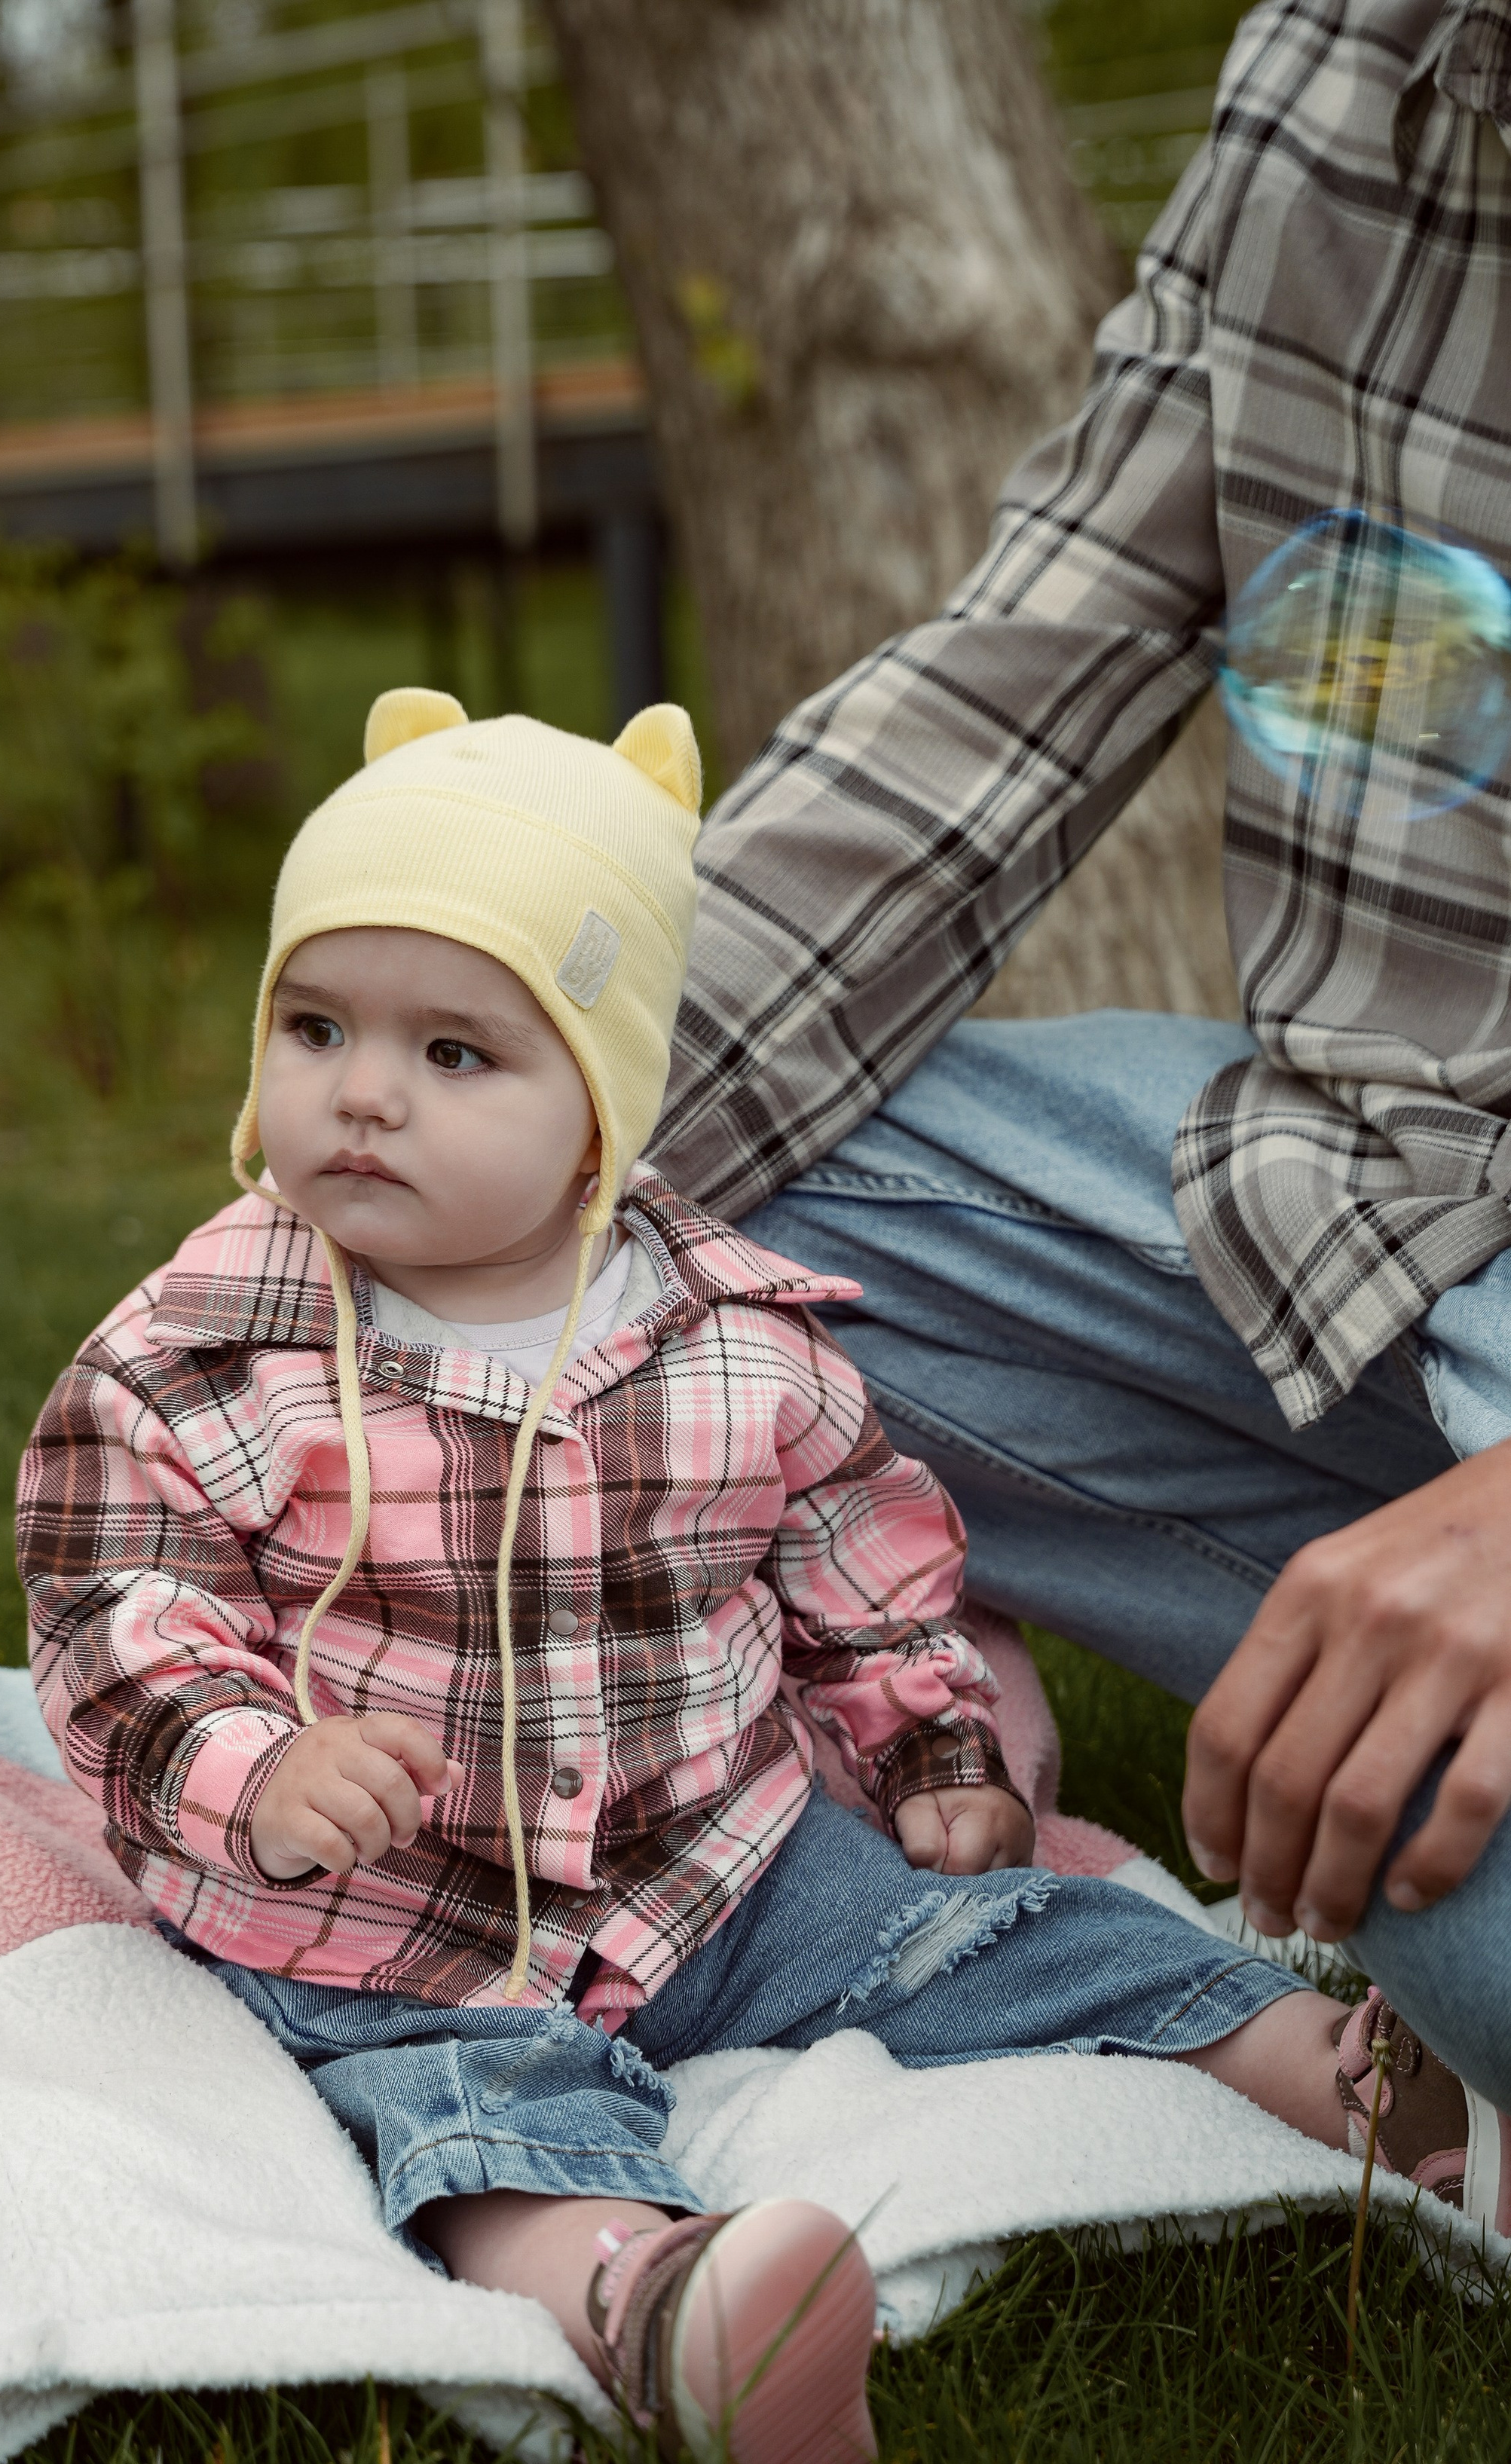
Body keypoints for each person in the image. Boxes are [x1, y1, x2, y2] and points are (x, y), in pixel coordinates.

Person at [17, 689, 1473, 2464]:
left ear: (599, 1113)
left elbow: (862, 1575)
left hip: (730, 1863)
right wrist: (259, 1767)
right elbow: (109, 1610)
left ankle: (1326, 2083)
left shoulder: (733, 1341)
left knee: (1004, 1934)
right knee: (467, 2114)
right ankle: (654, 2302)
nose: (362, 1090)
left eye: (456, 1051)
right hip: (399, 1913)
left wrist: (933, 1743)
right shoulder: (202, 1355)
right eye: (315, 1029)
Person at [653, 0, 1511, 2119]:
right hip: (1377, 1193)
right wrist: (363, 1210)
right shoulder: (1355, 69)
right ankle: (1044, 1662)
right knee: (617, 1215)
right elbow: (1013, 676)